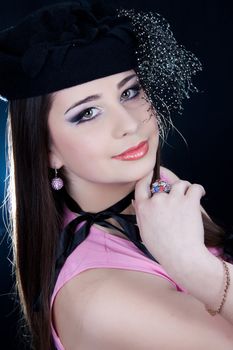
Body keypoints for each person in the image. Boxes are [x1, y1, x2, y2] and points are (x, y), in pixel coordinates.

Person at [0, 1, 233, 349]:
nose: (128, 124)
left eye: (130, 92)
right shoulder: (101, 300)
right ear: (47, 149)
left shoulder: (158, 197)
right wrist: (196, 267)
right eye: (88, 113)